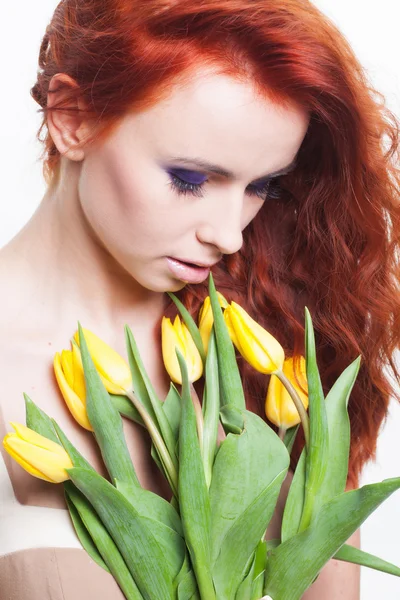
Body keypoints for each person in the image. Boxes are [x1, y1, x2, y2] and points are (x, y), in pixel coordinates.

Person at [0, 0, 399, 598]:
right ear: (71, 118)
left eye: (262, 186)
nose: (230, 233)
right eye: (190, 180)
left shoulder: (271, 349)